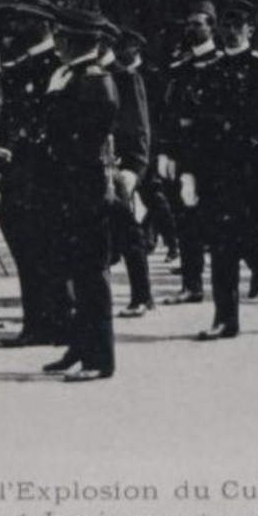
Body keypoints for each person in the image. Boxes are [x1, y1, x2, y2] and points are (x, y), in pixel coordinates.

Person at [176, 0, 258, 340]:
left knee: (246, 236)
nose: (230, 32)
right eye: (225, 25)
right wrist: (189, 172)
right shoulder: (208, 69)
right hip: (216, 171)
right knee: (222, 243)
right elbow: (196, 127)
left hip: (252, 171)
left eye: (237, 26)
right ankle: (227, 318)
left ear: (250, 30)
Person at [39, 9, 121, 383]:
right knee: (73, 270)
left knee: (91, 275)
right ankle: (79, 345)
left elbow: (82, 144)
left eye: (60, 36)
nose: (55, 42)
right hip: (67, 187)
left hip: (84, 189)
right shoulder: (69, 76)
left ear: (73, 40)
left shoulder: (92, 81)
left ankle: (99, 358)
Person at [0, 0, 69, 346]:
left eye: (25, 21)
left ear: (45, 25)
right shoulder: (18, 66)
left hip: (49, 172)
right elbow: (9, 119)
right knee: (26, 245)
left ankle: (60, 320)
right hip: (23, 172)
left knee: (49, 248)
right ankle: (39, 322)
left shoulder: (60, 66)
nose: (15, 27)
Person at [154, 0, 220, 308]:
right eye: (189, 24)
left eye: (198, 23)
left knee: (225, 225)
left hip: (212, 157)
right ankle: (192, 285)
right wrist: (166, 150)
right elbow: (170, 112)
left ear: (212, 27)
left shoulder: (222, 63)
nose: (191, 29)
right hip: (184, 156)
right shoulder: (180, 66)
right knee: (187, 221)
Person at [109, 28, 155, 317]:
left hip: (118, 167)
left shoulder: (125, 78)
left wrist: (134, 168)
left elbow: (140, 127)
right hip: (89, 166)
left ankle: (142, 294)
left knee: (127, 231)